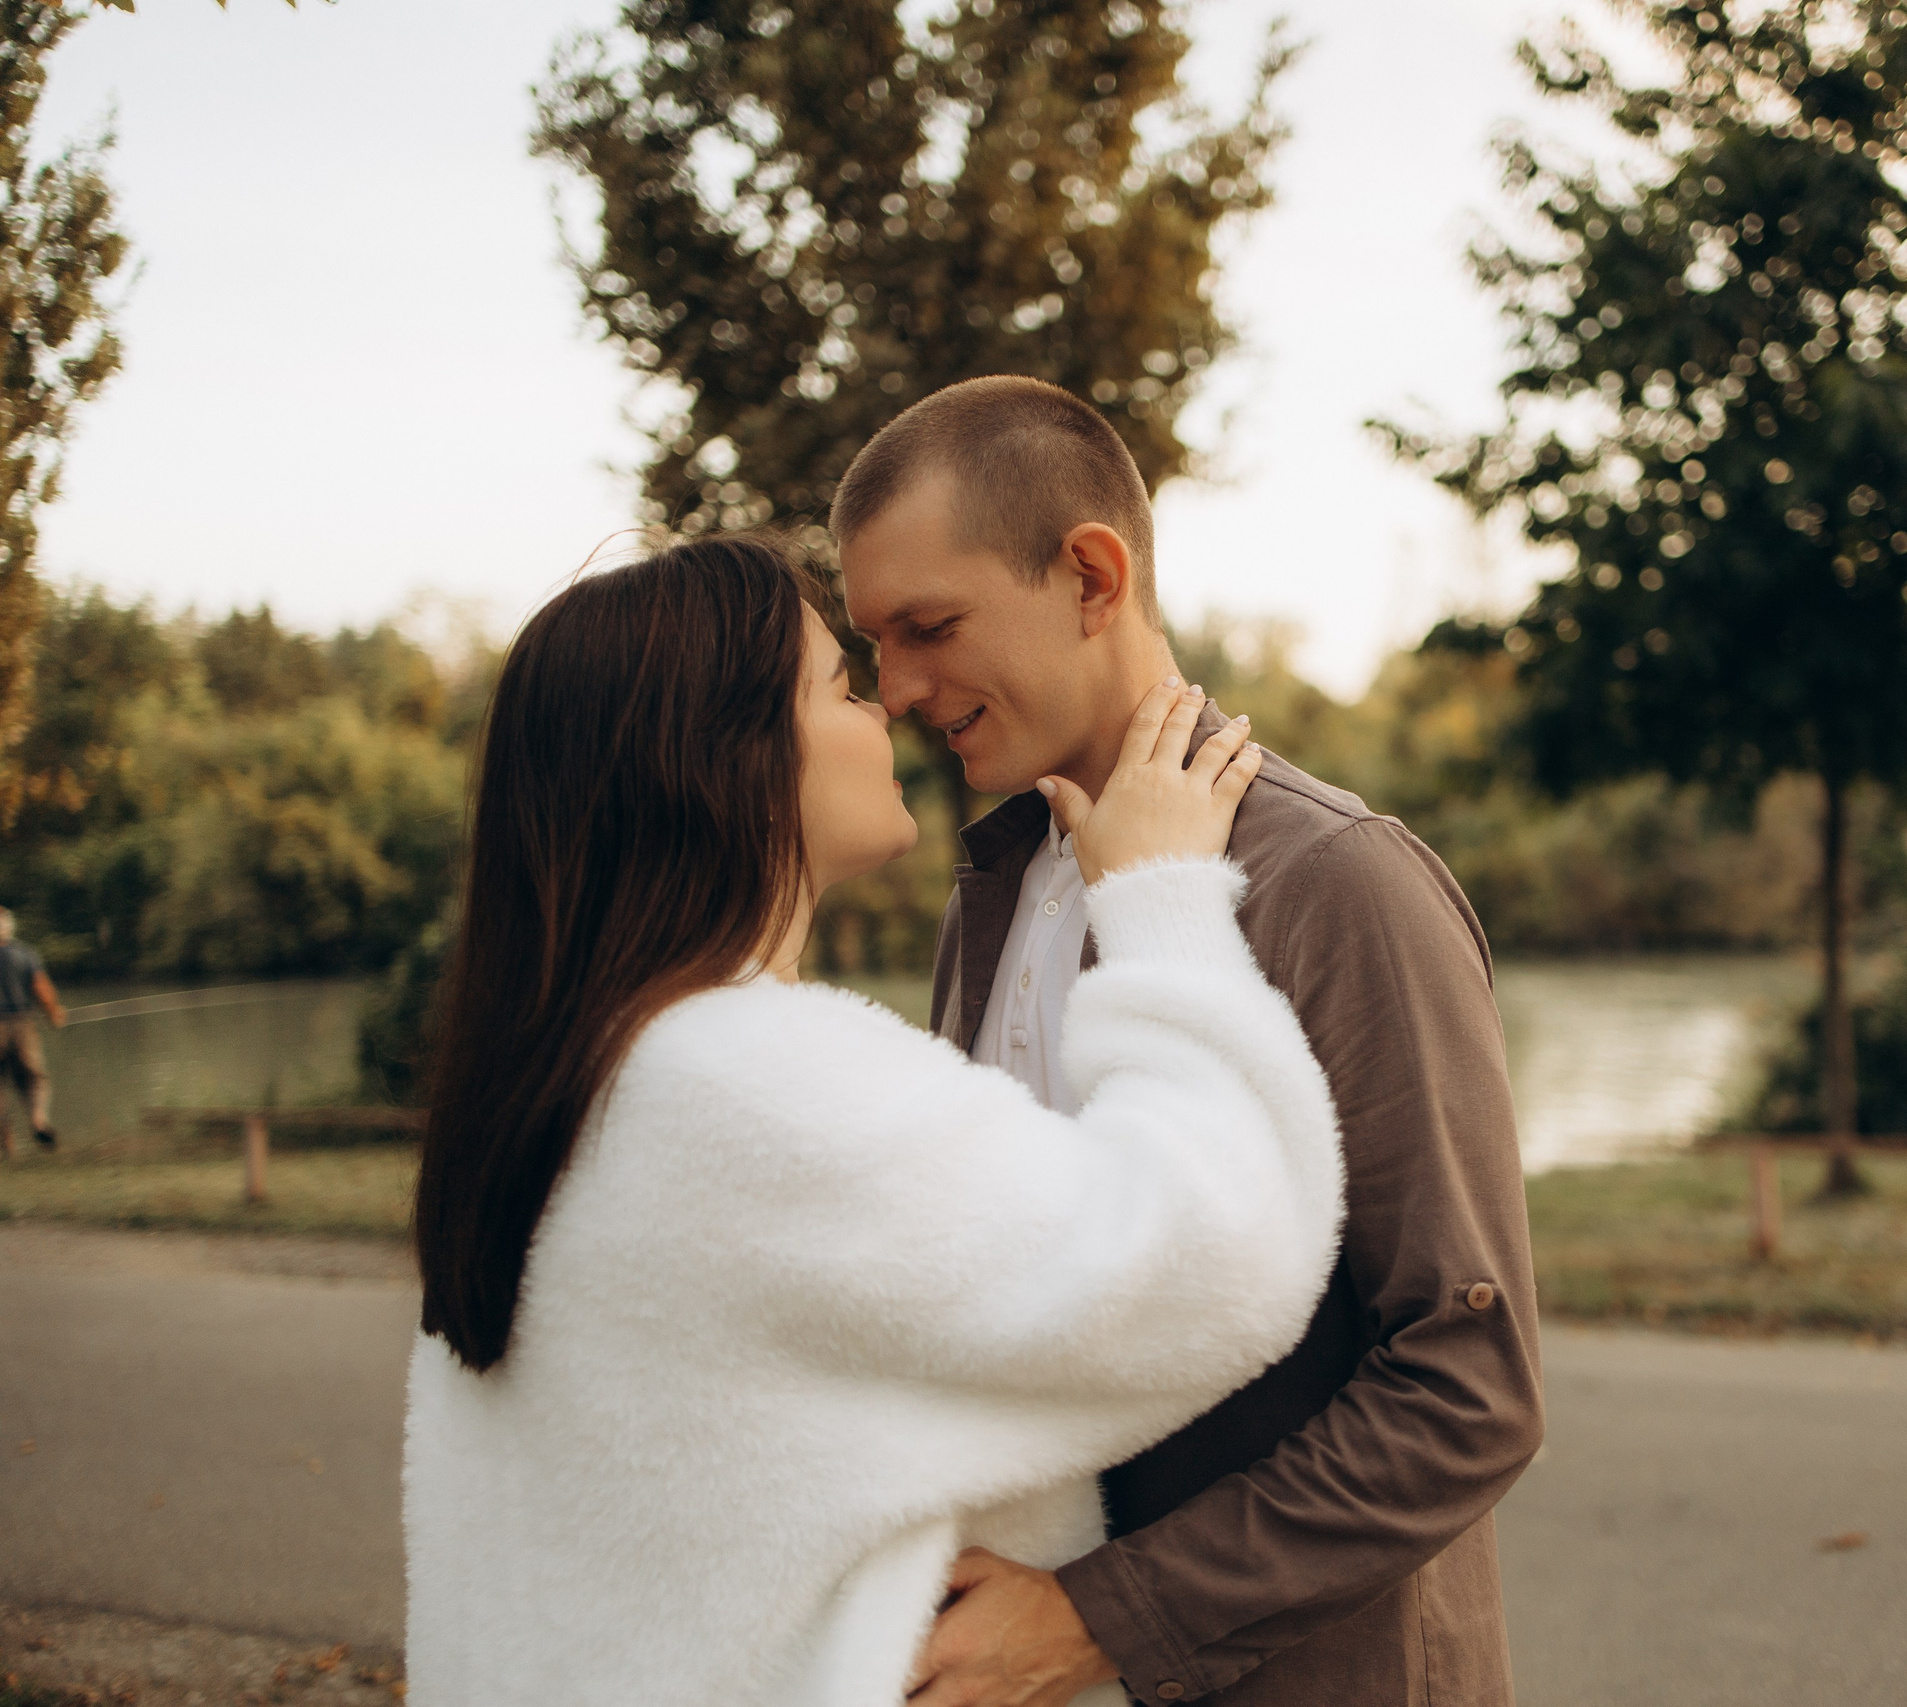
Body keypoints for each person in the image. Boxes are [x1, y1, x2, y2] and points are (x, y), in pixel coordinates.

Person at [401, 535, 1347, 1707]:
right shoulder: (744, 1082)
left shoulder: (575, 1078)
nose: (891, 704)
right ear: (726, 758)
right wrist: (1161, 907)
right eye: (843, 687)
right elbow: (1212, 1259)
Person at [835, 376, 1544, 1707]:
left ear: (1092, 574)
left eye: (927, 626)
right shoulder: (987, 889)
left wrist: (1098, 1616)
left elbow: (1469, 1386)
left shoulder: (1340, 882)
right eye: (874, 642)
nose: (897, 689)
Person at [0, 907, 67, 1156]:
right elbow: (41, 988)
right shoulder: (24, 954)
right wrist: (55, 1014)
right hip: (22, 1025)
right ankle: (38, 1120)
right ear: (9, 927)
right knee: (35, 1080)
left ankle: (8, 1146)